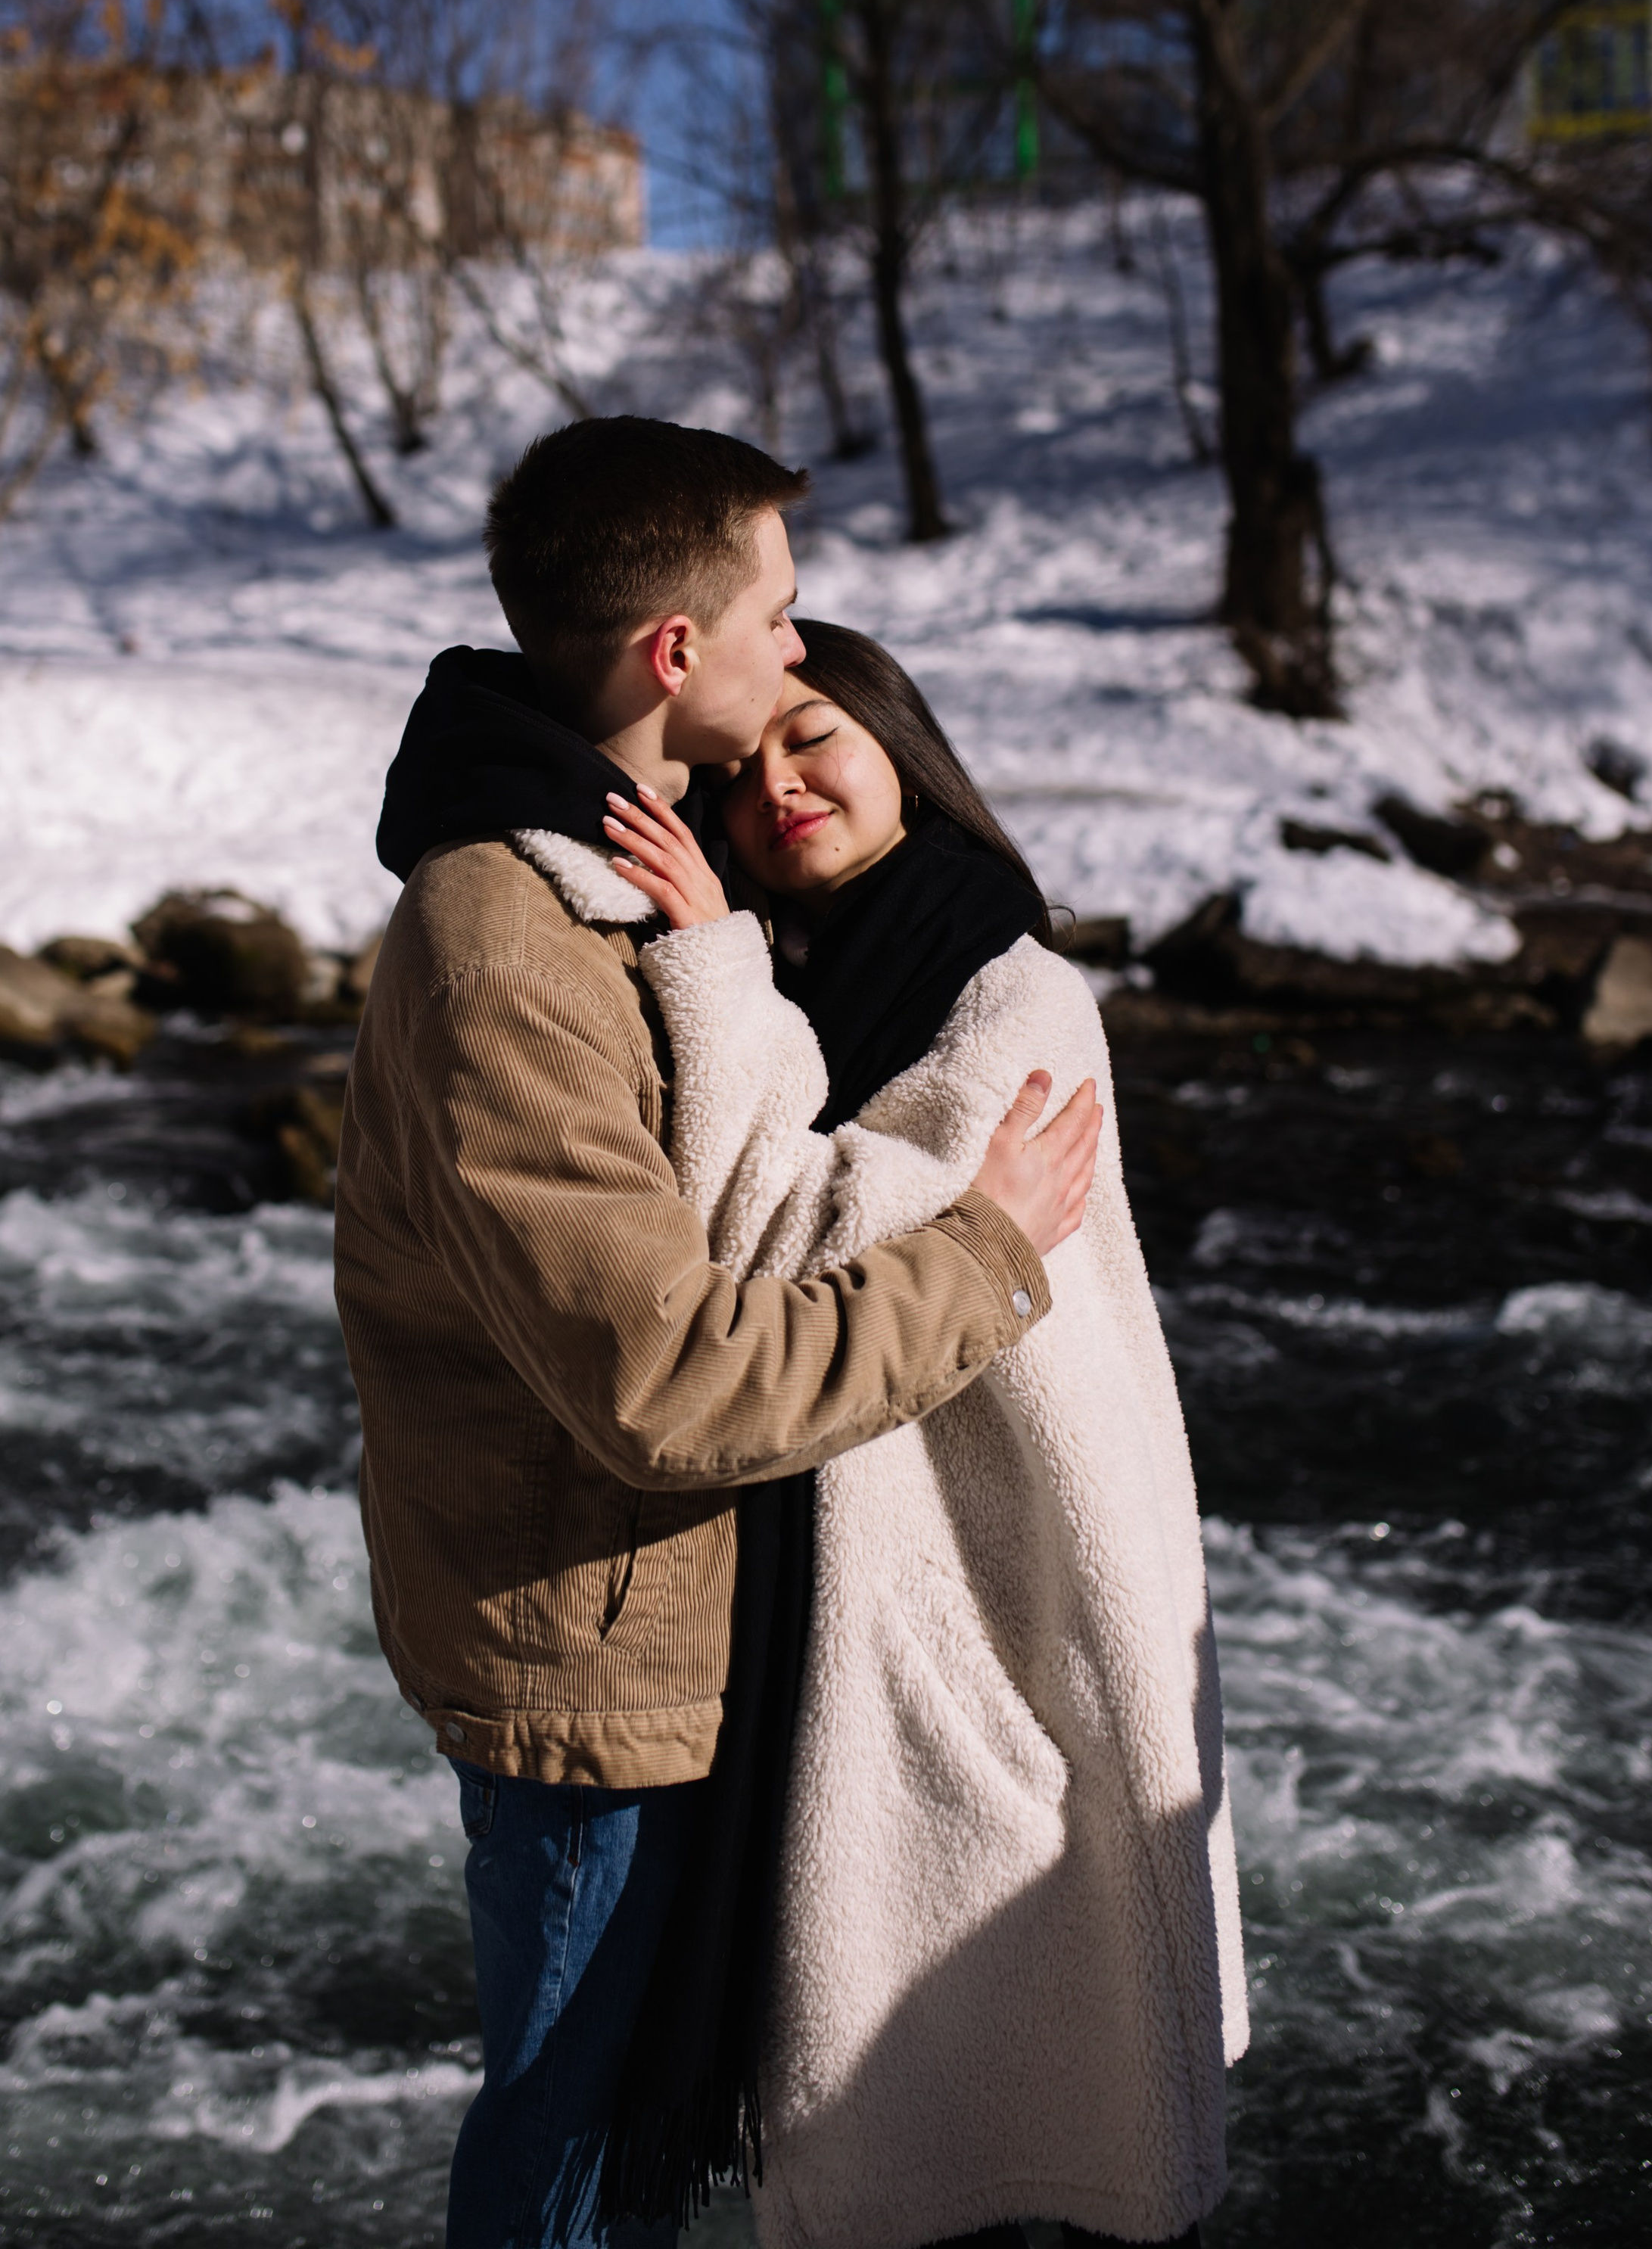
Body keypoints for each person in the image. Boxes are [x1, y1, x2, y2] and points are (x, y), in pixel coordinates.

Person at [331, 421, 1103, 2249]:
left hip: (681, 1628)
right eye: (775, 608)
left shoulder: (630, 888)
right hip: (595, 1657)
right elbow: (667, 1386)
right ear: (675, 651)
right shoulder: (506, 944)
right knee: (577, 2159)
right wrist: (987, 1252)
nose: (795, 644)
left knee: (626, 2141)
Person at [601, 620, 1247, 2249]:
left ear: (899, 741)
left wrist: (708, 972)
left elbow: (775, 1238)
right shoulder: (831, 977)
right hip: (897, 1551)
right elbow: (838, 1234)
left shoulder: (1007, 985)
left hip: (998, 1585)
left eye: (811, 737)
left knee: (1008, 2112)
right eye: (741, 775)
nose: (779, 784)